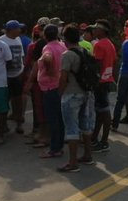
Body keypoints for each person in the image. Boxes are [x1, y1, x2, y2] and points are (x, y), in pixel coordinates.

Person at [58, 26, 95, 172]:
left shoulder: (67, 55)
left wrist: (60, 93)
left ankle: (72, 163)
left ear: (65, 39)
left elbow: (63, 77)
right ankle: (88, 155)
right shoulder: (84, 51)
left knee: (71, 128)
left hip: (71, 94)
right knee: (85, 125)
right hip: (86, 93)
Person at [35, 24, 66, 158]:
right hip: (60, 86)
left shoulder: (47, 47)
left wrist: (50, 71)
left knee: (53, 119)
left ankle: (54, 148)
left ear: (45, 35)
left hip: (50, 87)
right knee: (60, 118)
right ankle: (59, 145)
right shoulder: (62, 46)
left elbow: (47, 58)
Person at [90, 19, 116, 153]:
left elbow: (97, 66)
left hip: (100, 82)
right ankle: (94, 137)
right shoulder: (110, 44)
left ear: (102, 30)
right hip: (107, 80)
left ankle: (104, 141)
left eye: (96, 28)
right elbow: (113, 62)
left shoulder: (99, 45)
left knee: (104, 112)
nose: (94, 31)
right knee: (100, 111)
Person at [0, 20, 26, 134]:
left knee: (18, 100)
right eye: (18, 28)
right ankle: (4, 125)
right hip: (5, 76)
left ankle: (19, 123)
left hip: (17, 74)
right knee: (5, 100)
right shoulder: (1, 41)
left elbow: (21, 56)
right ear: (12, 30)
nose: (20, 30)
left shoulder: (18, 39)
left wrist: (22, 70)